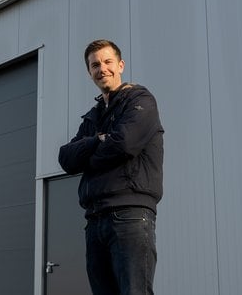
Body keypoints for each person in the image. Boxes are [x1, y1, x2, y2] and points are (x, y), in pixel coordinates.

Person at [58, 39, 164, 295]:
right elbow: (66, 158)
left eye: (107, 62)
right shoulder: (93, 117)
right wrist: (98, 139)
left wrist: (89, 155)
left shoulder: (140, 100)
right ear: (89, 72)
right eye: (95, 65)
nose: (102, 68)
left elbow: (125, 143)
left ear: (120, 65)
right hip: (95, 219)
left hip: (130, 214)